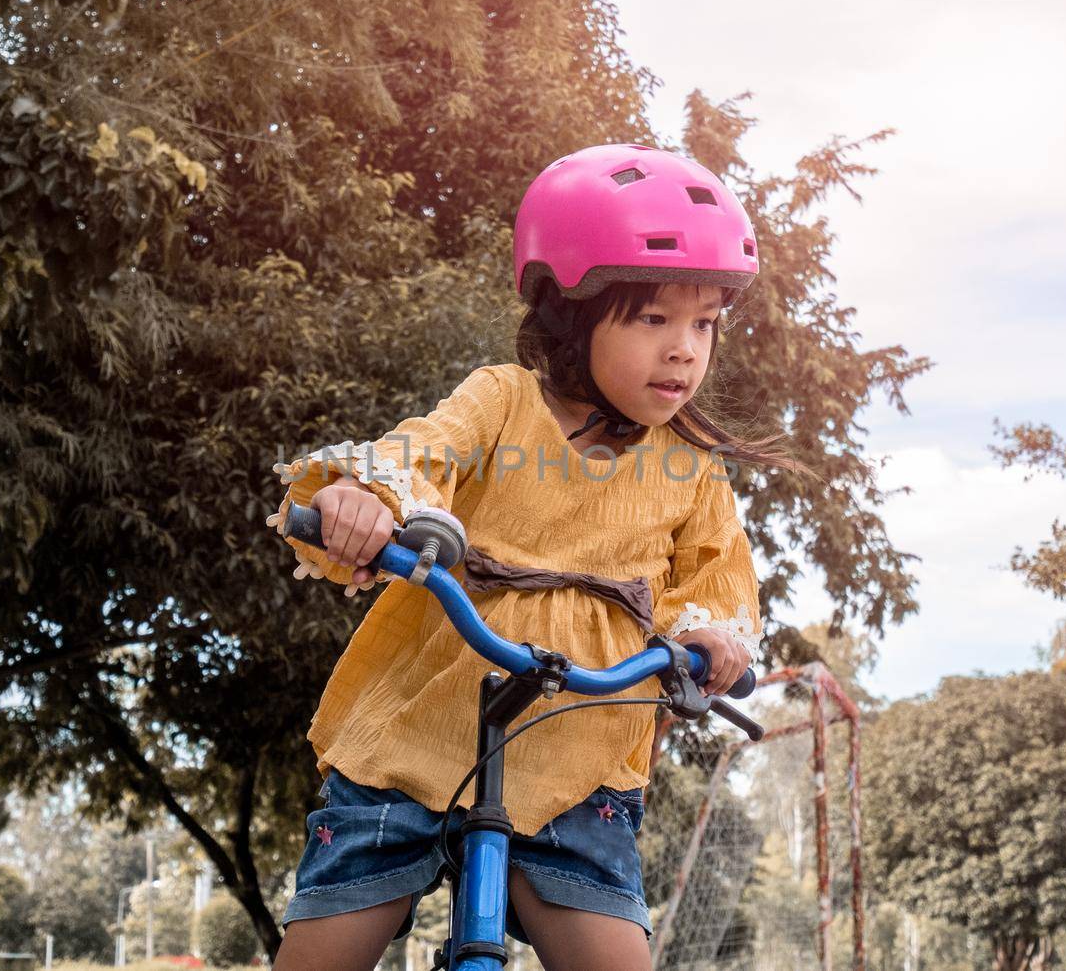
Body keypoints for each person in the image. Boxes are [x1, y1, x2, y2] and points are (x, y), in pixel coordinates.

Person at [264, 143, 800, 971]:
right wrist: (366, 500)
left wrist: (716, 642)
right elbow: (423, 455)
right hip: (417, 736)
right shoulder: (502, 400)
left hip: (578, 761)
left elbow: (715, 585)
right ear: (567, 315)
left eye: (705, 324)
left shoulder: (693, 466)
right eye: (654, 319)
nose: (685, 349)